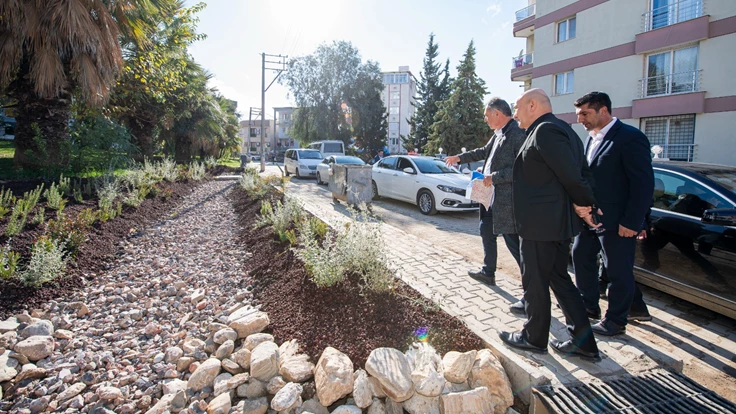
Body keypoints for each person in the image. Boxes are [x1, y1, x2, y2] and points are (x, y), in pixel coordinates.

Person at [498, 89, 601, 361]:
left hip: (541, 225)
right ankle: (585, 343)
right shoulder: (563, 129)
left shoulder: (545, 131)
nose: (515, 113)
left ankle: (533, 337)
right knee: (559, 279)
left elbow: (572, 175)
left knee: (534, 281)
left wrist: (586, 204)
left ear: (533, 105)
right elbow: (582, 172)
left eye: (518, 107)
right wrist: (584, 203)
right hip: (552, 224)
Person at [572, 92, 654, 336]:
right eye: (579, 115)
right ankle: (588, 305)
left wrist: (633, 221)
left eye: (585, 114)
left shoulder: (630, 138)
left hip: (619, 222)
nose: (581, 120)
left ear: (603, 111)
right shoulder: (591, 139)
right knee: (580, 255)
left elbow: (643, 184)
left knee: (618, 271)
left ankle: (616, 321)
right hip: (590, 219)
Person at [444, 97, 526, 286]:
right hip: (489, 197)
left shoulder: (517, 134)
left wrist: (493, 177)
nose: (485, 119)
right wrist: (459, 158)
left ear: (497, 113)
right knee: (485, 231)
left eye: (486, 115)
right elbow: (483, 152)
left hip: (506, 199)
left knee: (512, 241)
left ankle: (530, 280)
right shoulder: (498, 134)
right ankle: (488, 272)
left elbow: (520, 169)